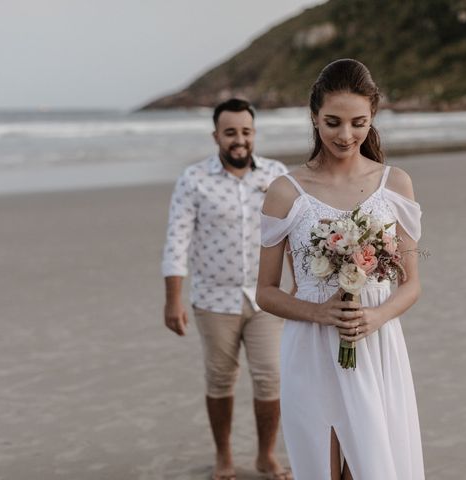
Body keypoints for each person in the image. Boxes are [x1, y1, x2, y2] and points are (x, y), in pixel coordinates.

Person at [256, 59, 425, 479]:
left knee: (372, 466)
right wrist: (319, 313)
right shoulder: (285, 192)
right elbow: (265, 291)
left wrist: (375, 316)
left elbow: (411, 284)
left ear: (373, 118)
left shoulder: (395, 185)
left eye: (357, 123)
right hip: (311, 347)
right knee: (322, 465)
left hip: (376, 344)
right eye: (332, 122)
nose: (345, 135)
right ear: (313, 116)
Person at [161, 98, 292, 480]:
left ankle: (266, 456)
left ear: (254, 134)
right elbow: (176, 240)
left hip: (266, 296)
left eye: (246, 132)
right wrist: (173, 300)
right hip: (213, 299)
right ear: (216, 135)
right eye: (230, 132)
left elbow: (295, 236)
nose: (239, 140)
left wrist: (301, 288)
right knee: (219, 378)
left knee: (270, 376)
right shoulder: (193, 179)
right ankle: (224, 456)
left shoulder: (276, 175)